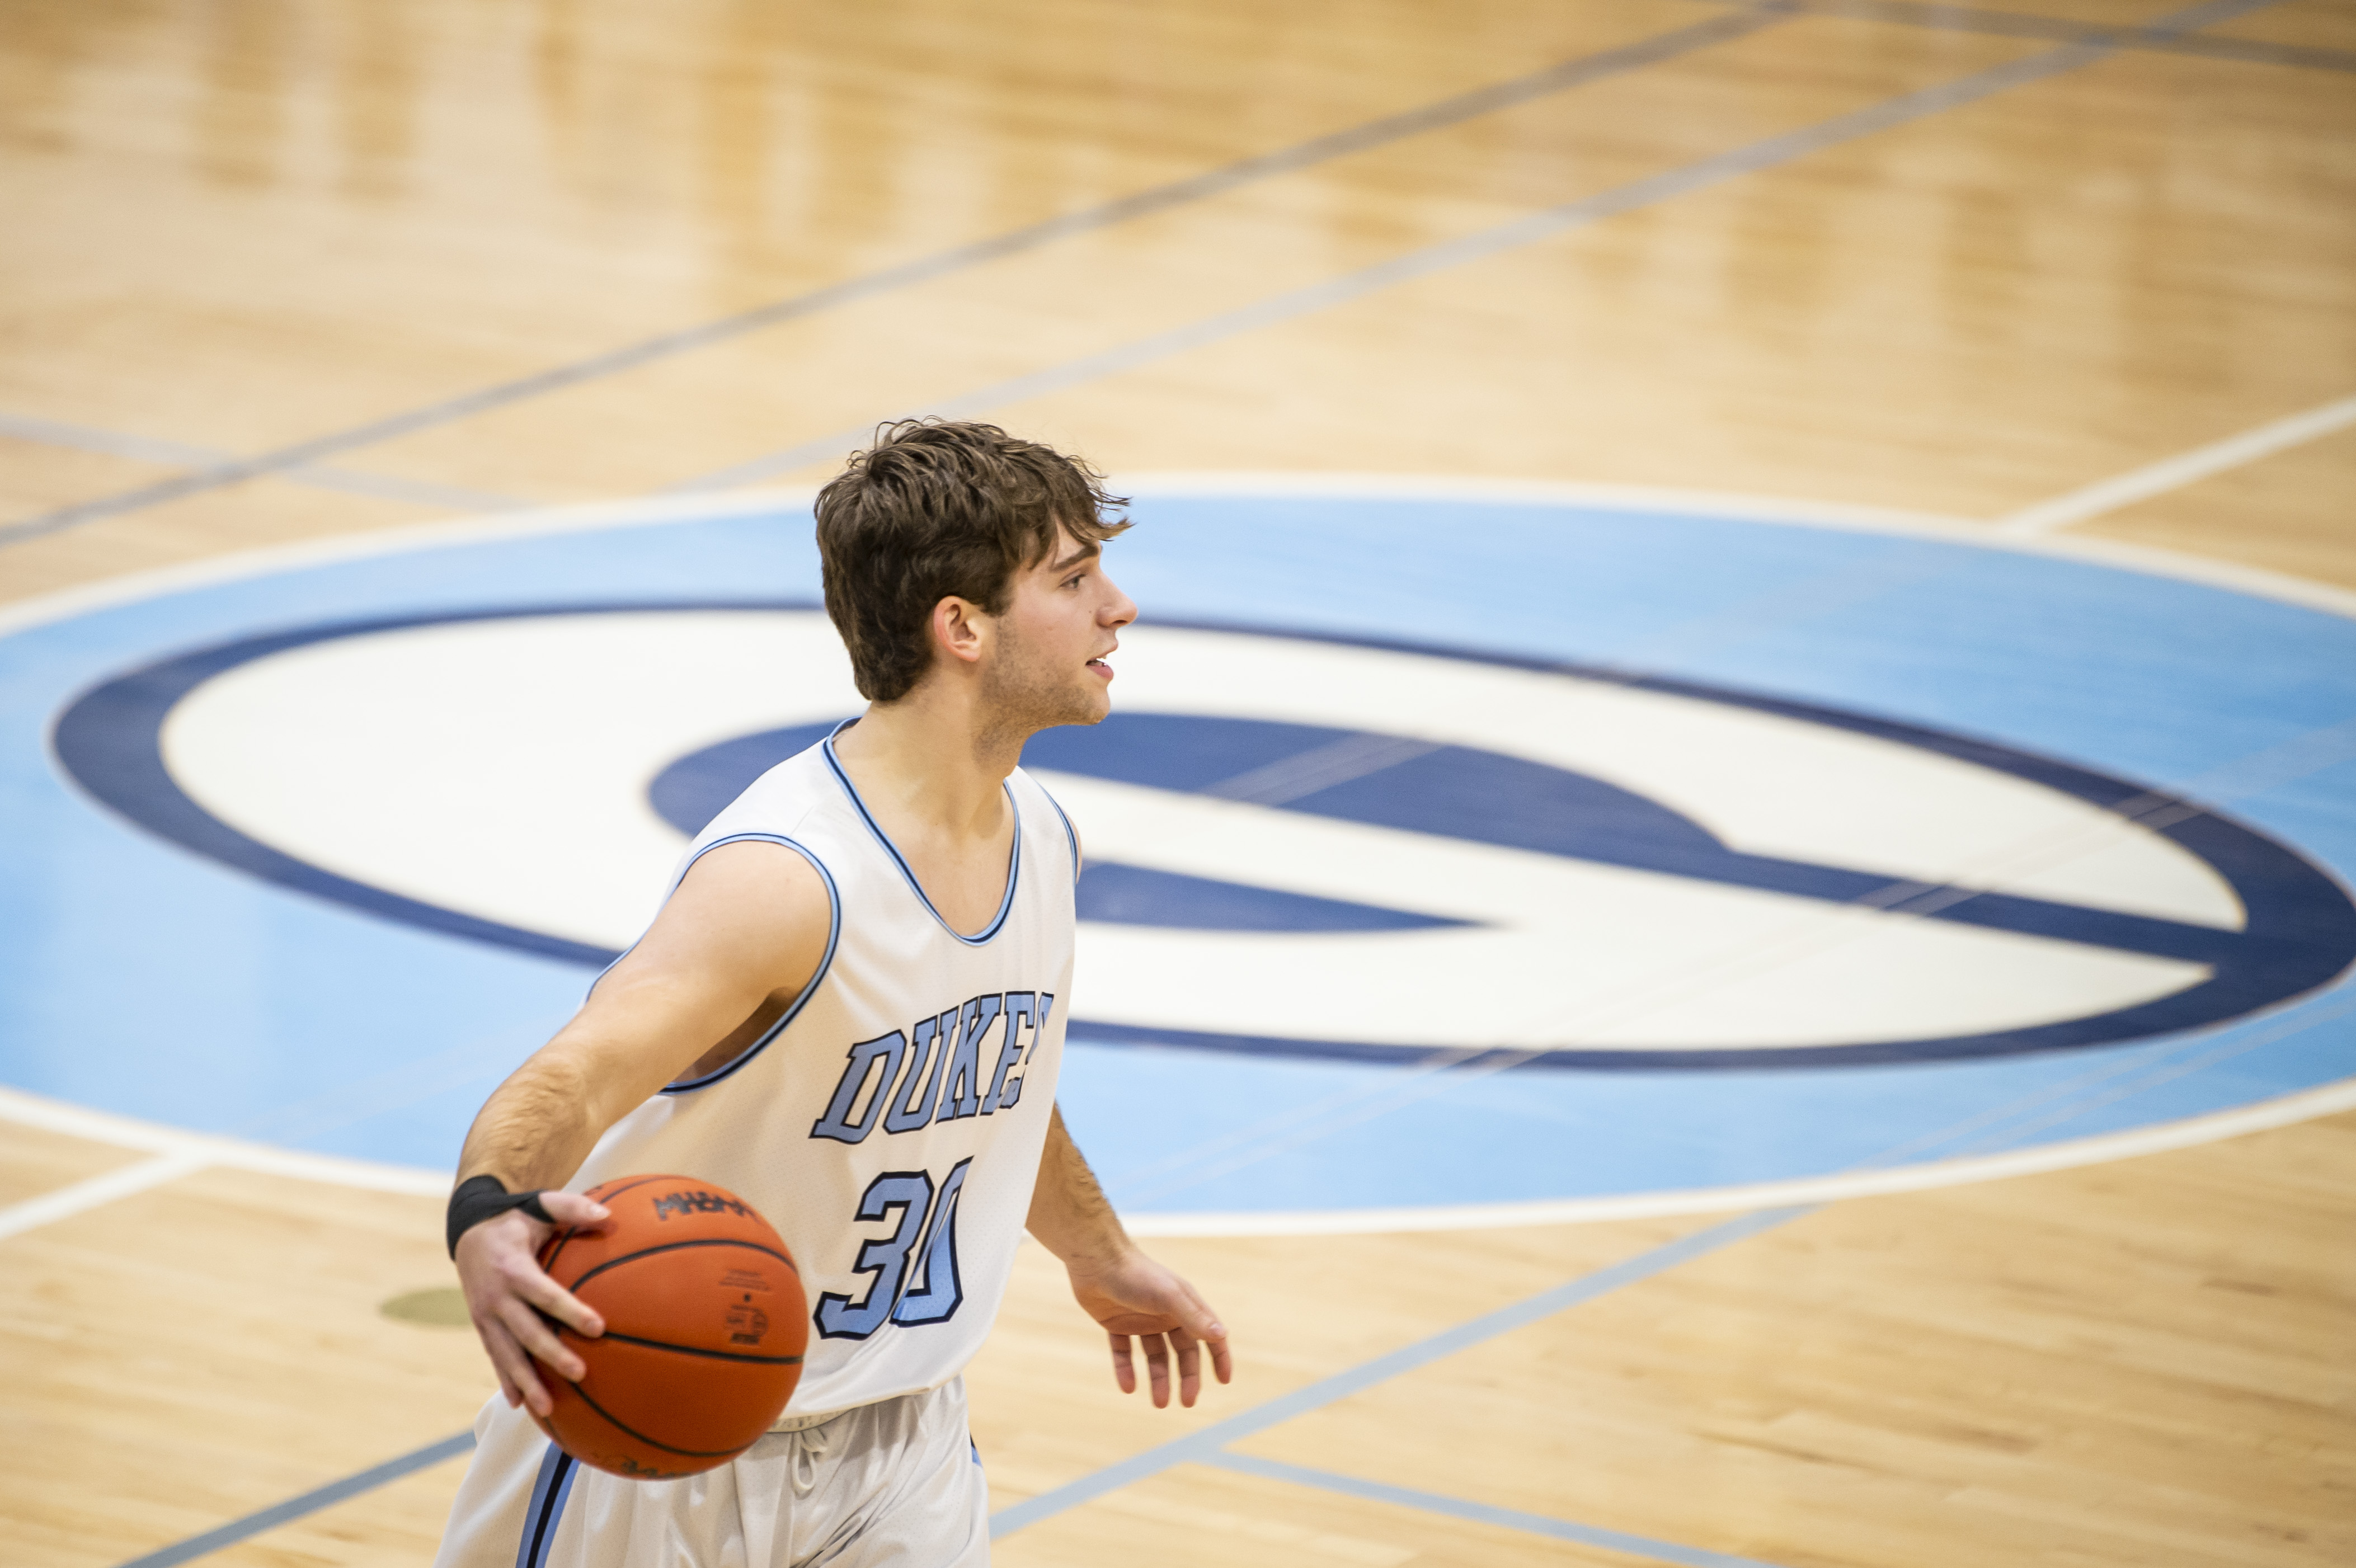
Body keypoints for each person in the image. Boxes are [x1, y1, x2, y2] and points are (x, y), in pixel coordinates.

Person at [433, 420, 1232, 1568]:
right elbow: (578, 1070)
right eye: (1074, 578)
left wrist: (1098, 1254)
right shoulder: (785, 878)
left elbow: (994, 1086)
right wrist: (486, 1210)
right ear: (961, 627)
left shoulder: (1043, 839)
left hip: (906, 1439)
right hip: (657, 1441)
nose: (1121, 606)